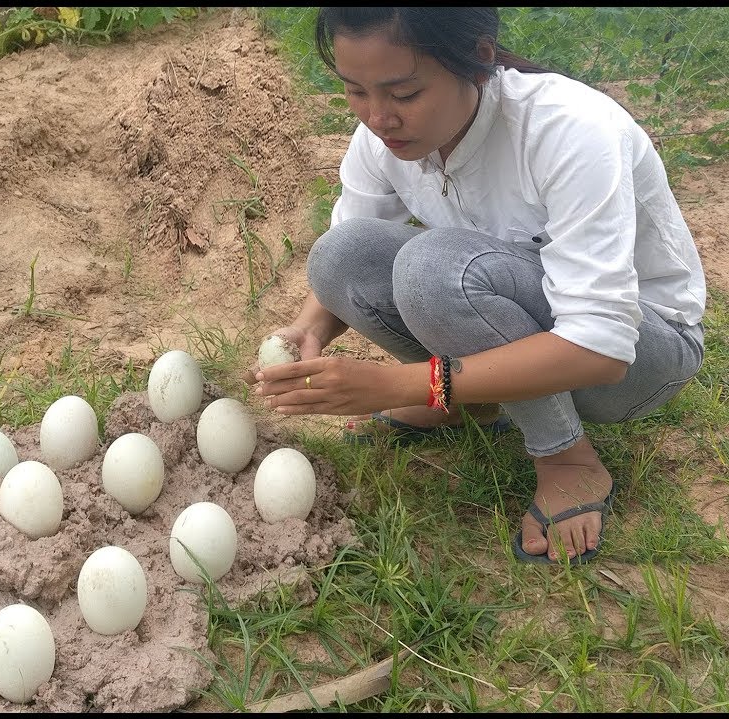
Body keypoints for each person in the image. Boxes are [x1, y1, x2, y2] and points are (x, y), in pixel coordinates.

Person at [246, 7, 707, 565]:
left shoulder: (568, 130)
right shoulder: (382, 139)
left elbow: (603, 348)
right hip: (526, 317)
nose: (377, 117)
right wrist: (307, 328)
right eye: (355, 91)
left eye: (404, 93)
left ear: (480, 59)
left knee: (433, 269)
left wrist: (401, 385)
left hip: (644, 356)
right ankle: (469, 403)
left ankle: (568, 461)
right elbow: (348, 253)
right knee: (339, 257)